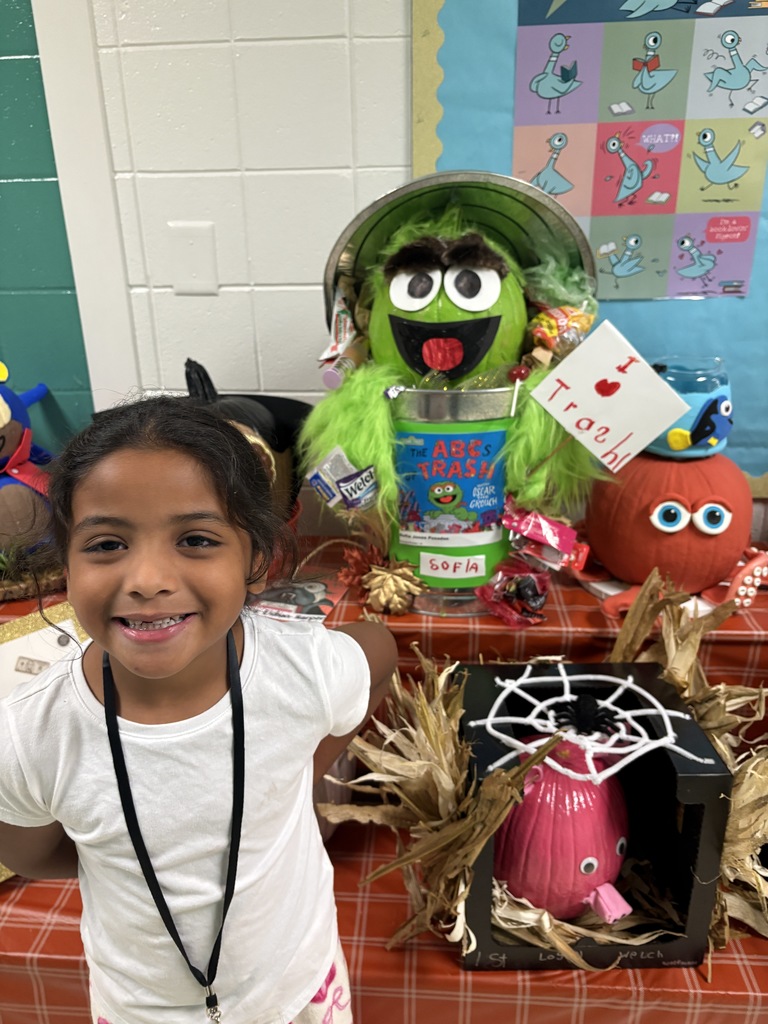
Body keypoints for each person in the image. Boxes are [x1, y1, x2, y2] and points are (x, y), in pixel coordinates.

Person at [0, 395, 397, 1024]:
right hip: (140, 1011)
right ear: (65, 564)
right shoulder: (28, 734)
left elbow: (378, 652)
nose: (148, 578)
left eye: (195, 539)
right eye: (105, 544)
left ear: (256, 562)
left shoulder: (303, 672)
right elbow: (29, 853)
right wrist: (120, 854)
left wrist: (301, 768)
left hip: (298, 995)